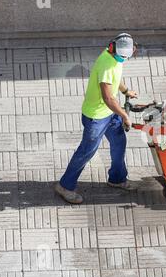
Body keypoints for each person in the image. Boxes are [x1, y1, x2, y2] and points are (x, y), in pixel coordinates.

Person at [54, 33, 138, 204]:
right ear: (114, 48)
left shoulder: (115, 57)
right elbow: (108, 98)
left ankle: (117, 178)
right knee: (86, 152)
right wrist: (124, 115)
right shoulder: (106, 65)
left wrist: (125, 90)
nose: (124, 59)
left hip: (109, 113)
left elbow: (117, 77)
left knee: (119, 142)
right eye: (122, 56)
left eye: (126, 56)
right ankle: (65, 186)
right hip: (96, 117)